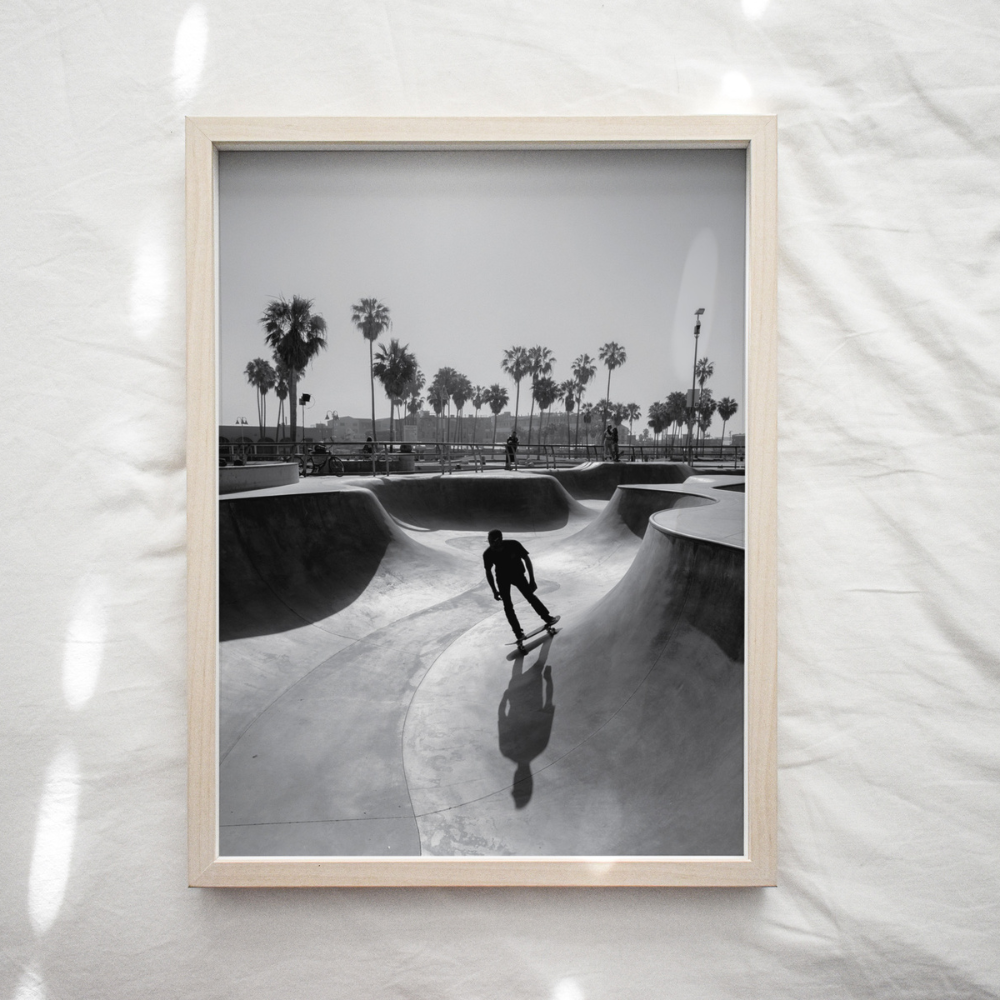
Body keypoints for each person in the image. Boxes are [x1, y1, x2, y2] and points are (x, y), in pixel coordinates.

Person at [484, 529, 558, 648]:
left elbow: (527, 559)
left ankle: (547, 618)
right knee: (507, 606)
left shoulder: (513, 545)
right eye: (489, 541)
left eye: (493, 542)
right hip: (502, 578)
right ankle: (518, 633)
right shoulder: (487, 554)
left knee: (530, 597)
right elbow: (488, 572)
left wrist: (532, 579)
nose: (491, 545)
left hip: (517, 574)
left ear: (500, 540)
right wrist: (494, 590)